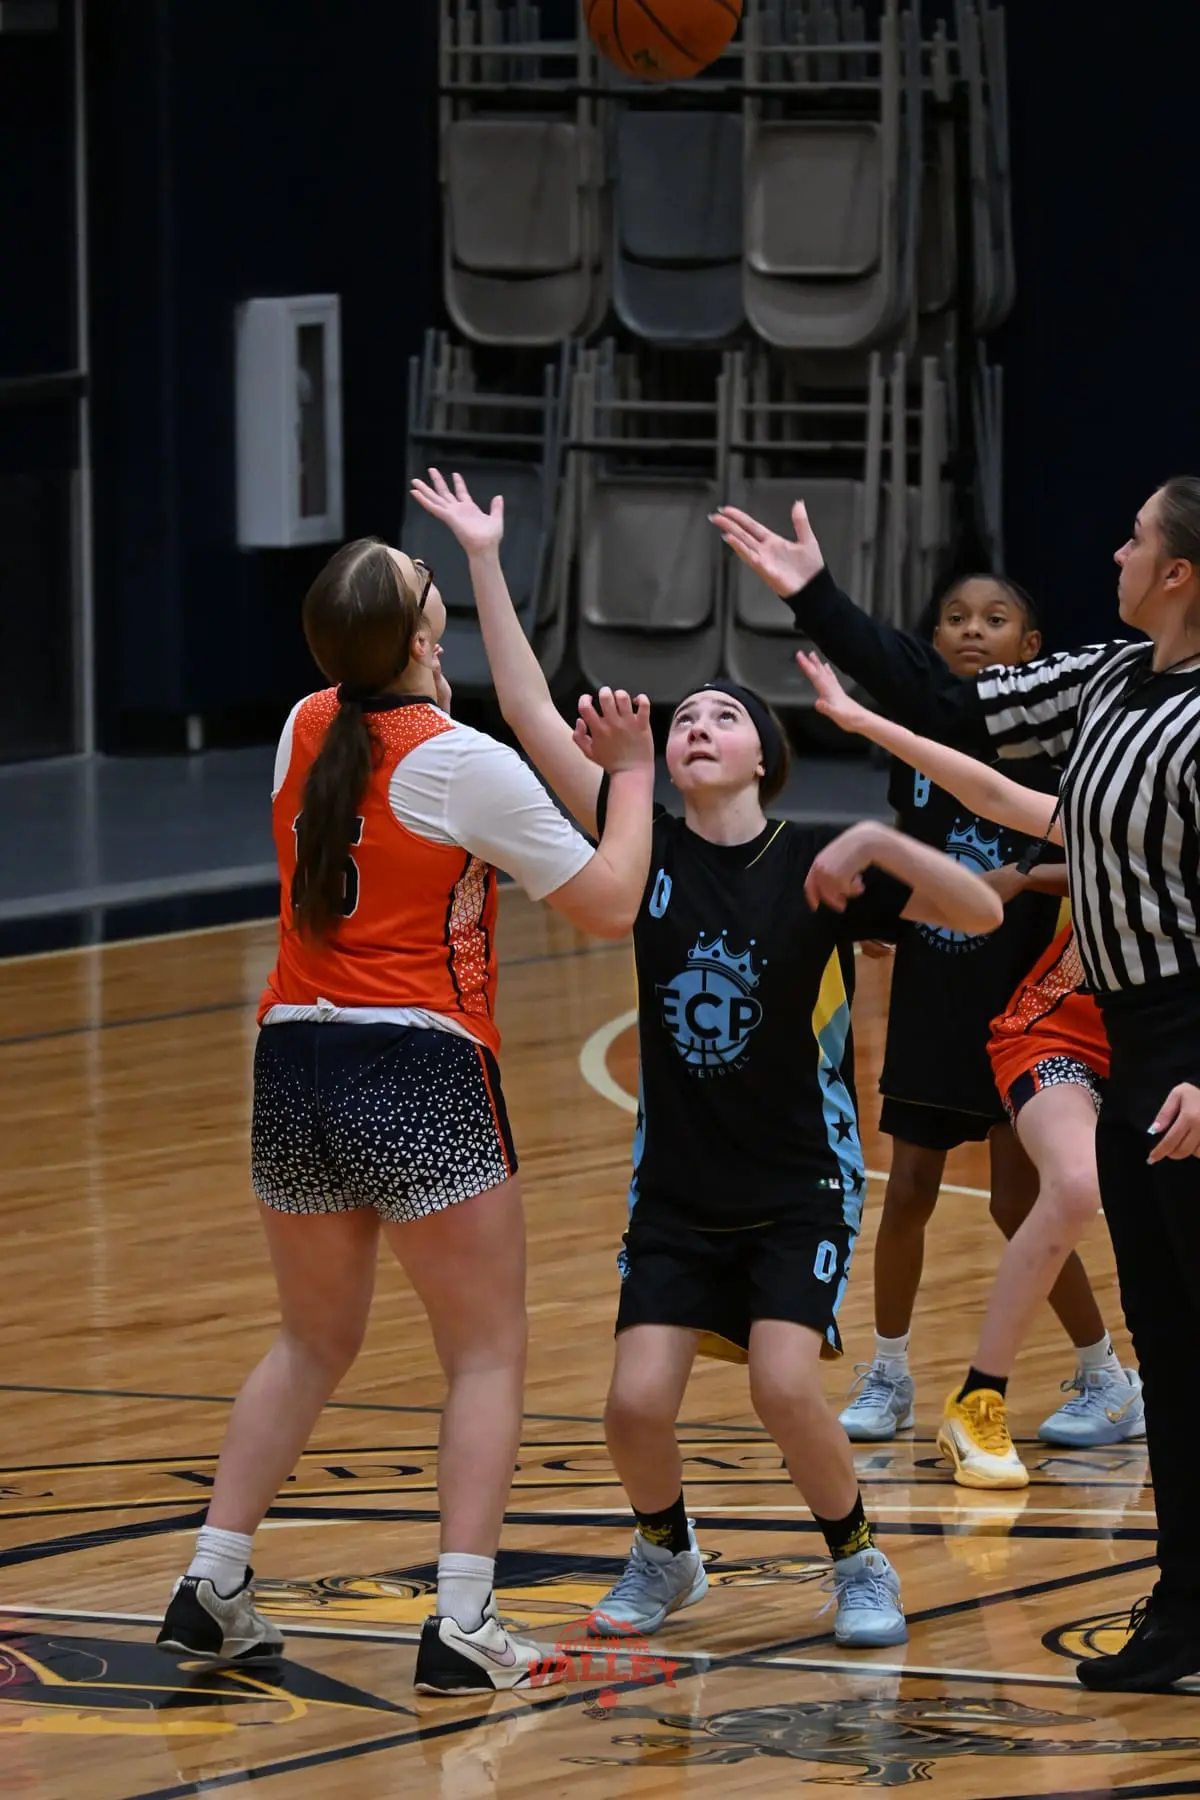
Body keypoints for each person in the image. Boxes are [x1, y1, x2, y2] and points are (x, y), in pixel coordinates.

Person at [411, 468, 1004, 1653]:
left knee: (783, 1385)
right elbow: (529, 715)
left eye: (724, 717)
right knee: (632, 1405)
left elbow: (982, 912)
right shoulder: (646, 851)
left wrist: (884, 839)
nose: (697, 726)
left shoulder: (818, 864)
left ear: (764, 756)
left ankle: (860, 1558)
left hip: (799, 1183)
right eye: (686, 717)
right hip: (679, 1187)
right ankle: (667, 1553)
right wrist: (482, 559)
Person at [713, 479, 1200, 1692]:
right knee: (1174, 1349)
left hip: (1189, 1048)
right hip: (1125, 1042)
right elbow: (952, 709)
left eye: (1136, 537)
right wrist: (816, 599)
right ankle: (1187, 1604)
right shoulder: (1106, 679)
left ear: (1179, 572)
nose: (1115, 549)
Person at [156, 537, 657, 1696]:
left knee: (309, 1341)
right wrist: (630, 780)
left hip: (291, 1062)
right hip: (418, 1065)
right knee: (485, 1350)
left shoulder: (301, 723)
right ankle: (466, 1620)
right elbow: (611, 903)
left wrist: (476, 558)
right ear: (426, 639)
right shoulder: (461, 765)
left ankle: (212, 1578)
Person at [794, 654, 1142, 1488]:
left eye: (995, 620)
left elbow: (1112, 863)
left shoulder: (1067, 766)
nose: (973, 634)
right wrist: (883, 911)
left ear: (1037, 649)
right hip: (940, 1008)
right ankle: (892, 1373)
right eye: (956, 620)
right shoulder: (927, 763)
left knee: (1023, 1201)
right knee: (909, 1192)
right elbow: (928, 845)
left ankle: (1104, 1372)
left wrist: (1020, 880)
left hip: (1023, 998)